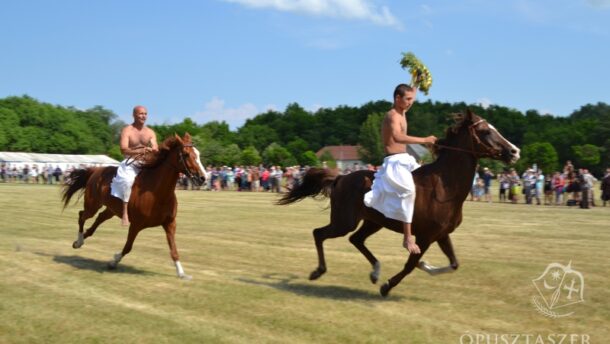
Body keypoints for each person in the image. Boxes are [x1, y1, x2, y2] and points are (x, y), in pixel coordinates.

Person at [363, 84, 437, 254]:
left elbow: (411, 94)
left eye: (412, 99)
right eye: (408, 99)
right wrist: (424, 139)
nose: (411, 103)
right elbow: (397, 136)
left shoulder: (402, 111)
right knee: (409, 191)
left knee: (427, 182)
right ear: (397, 99)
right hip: (394, 162)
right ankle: (407, 238)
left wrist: (417, 82)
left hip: (406, 160)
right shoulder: (392, 116)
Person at [110, 105, 158, 226]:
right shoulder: (127, 130)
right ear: (134, 115)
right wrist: (140, 151)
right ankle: (125, 212)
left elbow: (155, 148)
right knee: (128, 181)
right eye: (141, 113)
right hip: (130, 163)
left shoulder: (150, 132)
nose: (144, 116)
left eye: (145, 114)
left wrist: (153, 150)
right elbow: (123, 149)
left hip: (145, 163)